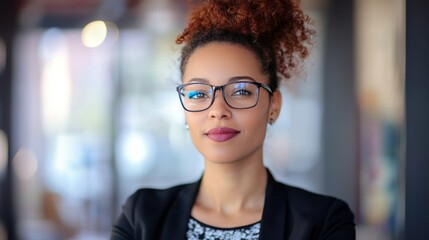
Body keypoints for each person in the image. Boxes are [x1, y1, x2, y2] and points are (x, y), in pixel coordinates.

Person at [111, 0, 355, 239]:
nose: (218, 109)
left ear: (274, 106)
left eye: (240, 91)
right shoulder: (141, 216)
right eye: (198, 93)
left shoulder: (323, 222)